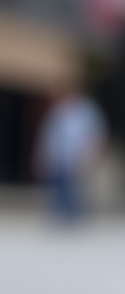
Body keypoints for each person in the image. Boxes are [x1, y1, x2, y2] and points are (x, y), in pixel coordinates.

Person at [35, 79, 106, 223]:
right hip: (59, 158)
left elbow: (95, 135)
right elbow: (49, 136)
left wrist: (89, 156)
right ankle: (59, 219)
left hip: (77, 158)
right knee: (57, 189)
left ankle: (75, 220)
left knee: (76, 190)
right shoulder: (58, 111)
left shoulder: (88, 111)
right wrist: (43, 155)